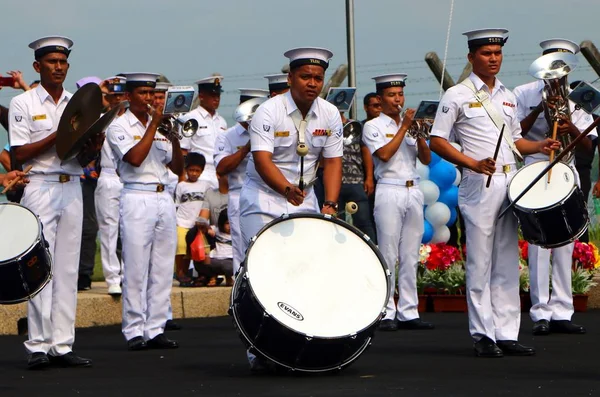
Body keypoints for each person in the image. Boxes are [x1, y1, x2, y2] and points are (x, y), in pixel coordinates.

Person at [429, 28, 560, 358]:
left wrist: (541, 144)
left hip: (508, 181)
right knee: (481, 260)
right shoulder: (457, 94)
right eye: (486, 53)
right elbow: (438, 140)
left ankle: (506, 332)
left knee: (506, 259)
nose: (493, 59)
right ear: (472, 57)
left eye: (497, 53)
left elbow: (517, 140)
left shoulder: (507, 95)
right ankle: (482, 333)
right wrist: (471, 162)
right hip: (479, 183)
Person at [239, 47, 343, 372]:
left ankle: (295, 345)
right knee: (261, 273)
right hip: (264, 198)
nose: (313, 83)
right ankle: (258, 348)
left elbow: (333, 161)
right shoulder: (268, 112)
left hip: (306, 197)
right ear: (290, 78)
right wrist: (285, 188)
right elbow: (262, 160)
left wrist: (330, 203)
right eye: (305, 76)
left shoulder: (329, 113)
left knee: (301, 273)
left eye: (318, 78)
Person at [9, 36, 92, 369]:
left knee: (67, 268)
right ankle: (38, 345)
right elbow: (19, 152)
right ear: (37, 66)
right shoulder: (24, 103)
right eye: (52, 62)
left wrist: (91, 143)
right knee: (40, 268)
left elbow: (84, 155)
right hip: (40, 184)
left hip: (71, 184)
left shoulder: (78, 101)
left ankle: (62, 343)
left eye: (63, 62)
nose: (58, 67)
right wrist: (59, 134)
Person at [514, 39, 593, 336]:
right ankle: (540, 311)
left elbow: (588, 147)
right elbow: (515, 132)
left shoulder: (579, 98)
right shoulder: (523, 93)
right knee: (539, 244)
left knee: (565, 242)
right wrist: (538, 110)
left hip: (565, 166)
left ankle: (562, 310)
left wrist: (570, 123)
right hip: (536, 163)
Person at [106, 72, 183, 351]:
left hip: (164, 197)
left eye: (152, 94)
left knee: (163, 268)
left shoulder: (160, 126)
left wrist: (173, 136)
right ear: (128, 96)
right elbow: (135, 159)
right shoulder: (119, 126)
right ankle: (134, 329)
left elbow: (178, 169)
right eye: (143, 94)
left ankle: (156, 327)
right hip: (137, 195)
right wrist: (154, 124)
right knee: (136, 266)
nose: (149, 99)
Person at [362, 74, 433, 331]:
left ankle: (409, 311)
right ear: (380, 99)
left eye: (400, 94)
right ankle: (387, 311)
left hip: (413, 190)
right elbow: (383, 154)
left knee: (410, 253)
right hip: (389, 189)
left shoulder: (409, 126)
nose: (398, 100)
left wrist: (421, 134)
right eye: (392, 95)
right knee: (388, 252)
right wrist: (404, 127)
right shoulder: (373, 126)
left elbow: (425, 159)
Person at [214, 90, 269, 276]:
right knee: (241, 248)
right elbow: (221, 168)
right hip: (239, 194)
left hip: (268, 193)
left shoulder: (271, 132)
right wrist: (246, 148)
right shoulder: (227, 136)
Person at [95, 75, 127, 296]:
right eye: (112, 96)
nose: (116, 99)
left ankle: (128, 274)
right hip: (108, 176)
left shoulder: (134, 120)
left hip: (130, 179)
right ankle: (113, 277)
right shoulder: (101, 119)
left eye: (120, 95)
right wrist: (99, 90)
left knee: (130, 231)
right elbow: (76, 116)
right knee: (109, 230)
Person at [75, 76, 103, 292]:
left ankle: (84, 272)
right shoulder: (75, 116)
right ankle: (79, 272)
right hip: (78, 178)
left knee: (91, 227)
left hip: (98, 180)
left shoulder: (103, 116)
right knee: (81, 227)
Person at [179, 76, 227, 189]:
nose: (216, 99)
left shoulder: (222, 122)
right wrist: (182, 177)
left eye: (218, 95)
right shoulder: (190, 118)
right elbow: (183, 151)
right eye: (212, 95)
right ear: (201, 96)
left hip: (218, 175)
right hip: (199, 174)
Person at [338, 111, 377, 243]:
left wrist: (369, 178)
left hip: (356, 181)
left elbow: (366, 151)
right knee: (337, 223)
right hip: (333, 183)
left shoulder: (356, 125)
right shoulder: (325, 126)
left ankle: (372, 252)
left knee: (364, 222)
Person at [175, 152, 210, 286]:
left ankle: (202, 275)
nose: (194, 173)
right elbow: (176, 204)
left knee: (200, 249)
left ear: (201, 171)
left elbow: (207, 205)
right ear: (186, 170)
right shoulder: (181, 185)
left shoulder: (206, 186)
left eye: (197, 171)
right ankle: (181, 272)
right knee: (181, 247)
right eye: (191, 170)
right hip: (182, 222)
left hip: (198, 224)